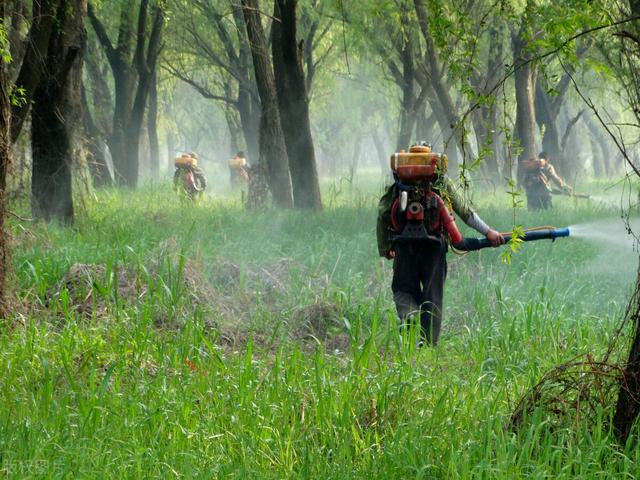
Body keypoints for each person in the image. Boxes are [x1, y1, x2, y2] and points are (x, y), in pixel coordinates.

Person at [377, 142, 504, 346]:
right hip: (434, 248)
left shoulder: (398, 183)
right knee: (432, 295)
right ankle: (427, 344)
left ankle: (409, 315)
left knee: (403, 288)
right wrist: (488, 232)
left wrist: (385, 248)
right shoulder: (441, 182)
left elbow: (384, 214)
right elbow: (465, 212)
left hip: (403, 246)